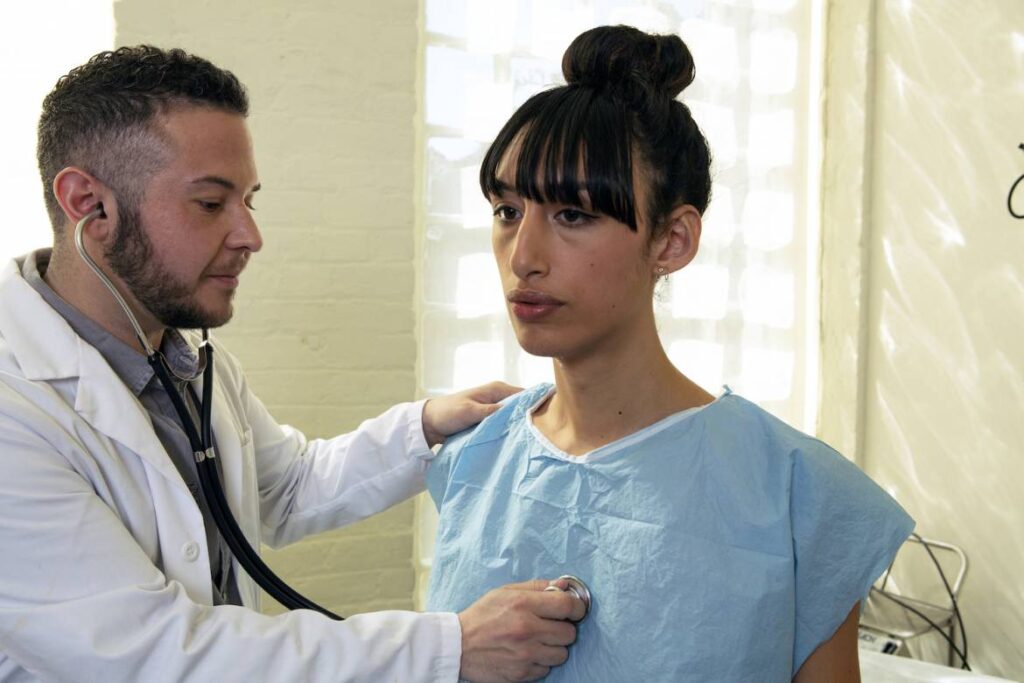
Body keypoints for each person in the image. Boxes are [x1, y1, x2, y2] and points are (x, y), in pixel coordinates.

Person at [0, 46, 586, 682]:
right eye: (210, 203)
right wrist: (450, 648)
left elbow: (281, 489)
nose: (250, 235)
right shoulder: (17, 407)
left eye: (249, 199)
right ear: (90, 204)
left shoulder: (185, 358)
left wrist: (423, 427)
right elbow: (154, 654)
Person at [424, 25, 914, 681]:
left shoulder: (798, 496)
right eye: (508, 210)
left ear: (673, 240)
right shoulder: (474, 461)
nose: (524, 257)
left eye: (572, 214)